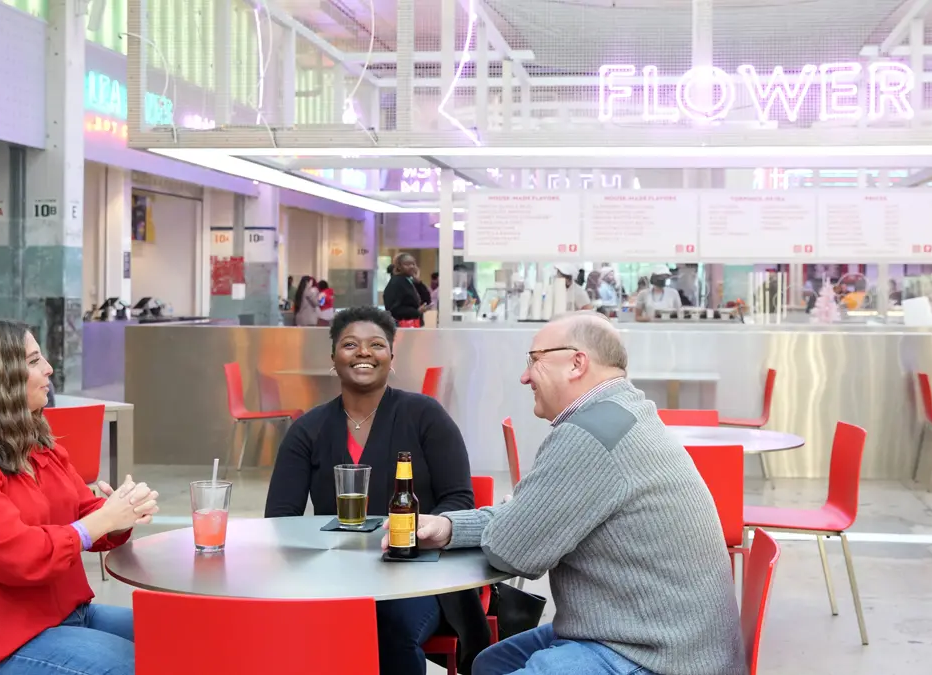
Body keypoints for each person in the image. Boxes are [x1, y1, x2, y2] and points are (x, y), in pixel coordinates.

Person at [386, 312, 746, 675]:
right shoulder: (620, 414)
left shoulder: (590, 434)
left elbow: (513, 551)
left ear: (577, 363)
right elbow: (526, 518)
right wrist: (449, 527)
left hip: (655, 656)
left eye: (535, 360)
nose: (525, 376)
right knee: (491, 661)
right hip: (663, 637)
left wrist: (514, 517)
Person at [0, 320, 160, 675]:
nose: (49, 368)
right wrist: (100, 521)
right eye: (33, 361)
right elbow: (20, 556)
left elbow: (83, 512)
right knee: (140, 665)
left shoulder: (34, 445)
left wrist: (120, 514)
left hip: (66, 615)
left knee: (182, 636)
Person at [265, 307, 486, 674]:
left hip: (421, 575)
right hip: (335, 572)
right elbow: (279, 519)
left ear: (391, 357)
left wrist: (423, 531)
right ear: (333, 357)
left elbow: (460, 499)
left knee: (387, 625)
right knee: (292, 625)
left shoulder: (426, 415)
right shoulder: (308, 429)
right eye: (350, 344)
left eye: (376, 345)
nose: (364, 352)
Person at [384, 253, 427, 327]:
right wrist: (416, 312)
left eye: (413, 264)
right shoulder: (396, 282)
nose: (411, 267)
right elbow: (393, 309)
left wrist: (418, 282)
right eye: (407, 264)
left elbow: (426, 300)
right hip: (403, 326)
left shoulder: (409, 280)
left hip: (414, 324)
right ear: (399, 266)